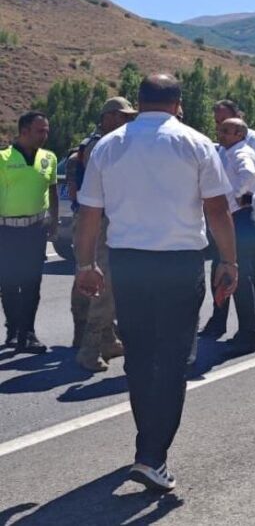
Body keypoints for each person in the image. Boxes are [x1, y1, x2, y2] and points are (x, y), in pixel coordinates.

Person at [75, 73, 237, 492]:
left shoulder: (108, 146)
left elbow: (89, 212)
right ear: (178, 104)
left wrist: (86, 264)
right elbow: (217, 210)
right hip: (179, 264)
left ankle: (148, 446)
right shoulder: (196, 143)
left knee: (140, 357)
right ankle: (151, 455)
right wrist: (228, 261)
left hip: (129, 264)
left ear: (140, 102)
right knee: (174, 359)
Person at [200, 99, 255, 337]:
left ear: (238, 119)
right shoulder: (224, 146)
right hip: (226, 220)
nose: (219, 128)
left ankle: (249, 331)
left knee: (247, 275)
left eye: (224, 122)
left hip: (250, 216)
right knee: (220, 269)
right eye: (217, 123)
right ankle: (218, 322)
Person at [68, 97, 136, 371]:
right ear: (108, 117)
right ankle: (90, 347)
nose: (128, 122)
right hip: (101, 221)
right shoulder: (103, 145)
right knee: (103, 284)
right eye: (123, 116)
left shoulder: (92, 143)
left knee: (88, 279)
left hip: (93, 220)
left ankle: (103, 338)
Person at [0, 111, 59, 353]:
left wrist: (54, 221)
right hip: (6, 231)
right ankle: (13, 331)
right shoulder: (3, 158)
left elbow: (52, 190)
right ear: (24, 131)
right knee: (10, 282)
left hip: (35, 230)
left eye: (46, 130)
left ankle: (29, 332)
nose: (45, 135)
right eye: (40, 131)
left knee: (33, 282)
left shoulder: (49, 158)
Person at [209, 117, 255, 355]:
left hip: (239, 220)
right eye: (220, 129)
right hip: (234, 219)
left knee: (240, 279)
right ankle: (238, 331)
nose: (220, 133)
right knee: (228, 274)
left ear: (239, 134)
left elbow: (250, 174)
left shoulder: (242, 153)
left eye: (226, 131)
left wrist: (239, 195)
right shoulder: (226, 151)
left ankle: (249, 336)